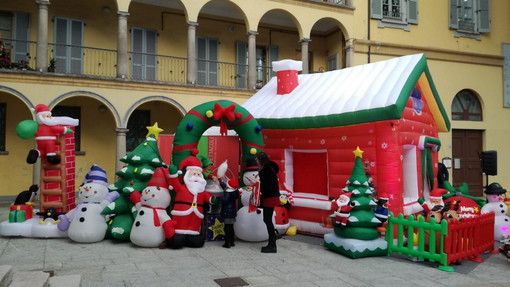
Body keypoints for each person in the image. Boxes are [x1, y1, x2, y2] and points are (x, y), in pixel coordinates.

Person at [256, 151, 280, 253]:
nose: (256, 161)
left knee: (267, 220)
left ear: (260, 160)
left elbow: (268, 186)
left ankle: (272, 244)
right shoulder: (268, 169)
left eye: (257, 159)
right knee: (267, 220)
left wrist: (258, 185)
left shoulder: (266, 170)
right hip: (271, 197)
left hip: (269, 197)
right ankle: (272, 240)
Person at [217, 179, 240, 248]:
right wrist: (221, 182)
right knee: (231, 227)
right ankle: (232, 241)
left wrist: (219, 197)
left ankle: (227, 243)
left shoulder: (227, 193)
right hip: (232, 211)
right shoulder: (235, 191)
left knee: (226, 228)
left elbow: (225, 199)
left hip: (227, 212)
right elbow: (227, 188)